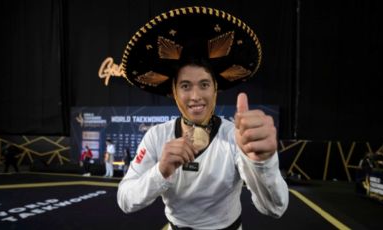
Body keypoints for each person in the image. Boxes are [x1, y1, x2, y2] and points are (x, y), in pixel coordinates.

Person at [116, 6, 289, 229]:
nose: (196, 96)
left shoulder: (234, 136)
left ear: (215, 89)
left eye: (204, 84)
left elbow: (275, 208)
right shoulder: (157, 136)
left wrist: (263, 162)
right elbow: (125, 200)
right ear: (174, 93)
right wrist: (161, 171)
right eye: (185, 86)